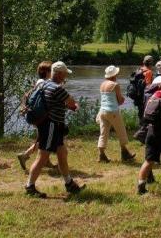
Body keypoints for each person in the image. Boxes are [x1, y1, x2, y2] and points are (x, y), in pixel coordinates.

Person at [25, 61, 85, 198]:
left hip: (50, 125)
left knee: (62, 153)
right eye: (64, 74)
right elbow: (71, 103)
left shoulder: (45, 84)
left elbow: (56, 102)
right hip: (51, 125)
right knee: (42, 157)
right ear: (59, 74)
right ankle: (29, 186)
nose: (65, 77)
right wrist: (75, 105)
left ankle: (69, 184)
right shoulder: (58, 88)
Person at [17, 61, 53, 170]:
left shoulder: (41, 81)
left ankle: (46, 161)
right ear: (46, 72)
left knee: (44, 139)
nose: (53, 73)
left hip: (38, 115)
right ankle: (25, 155)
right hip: (40, 116)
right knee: (44, 140)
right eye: (51, 71)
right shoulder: (43, 82)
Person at [97, 65, 136, 163]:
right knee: (121, 131)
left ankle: (101, 155)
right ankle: (125, 153)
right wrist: (123, 99)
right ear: (114, 75)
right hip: (112, 111)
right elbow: (120, 100)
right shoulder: (115, 85)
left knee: (103, 133)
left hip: (102, 111)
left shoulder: (102, 84)